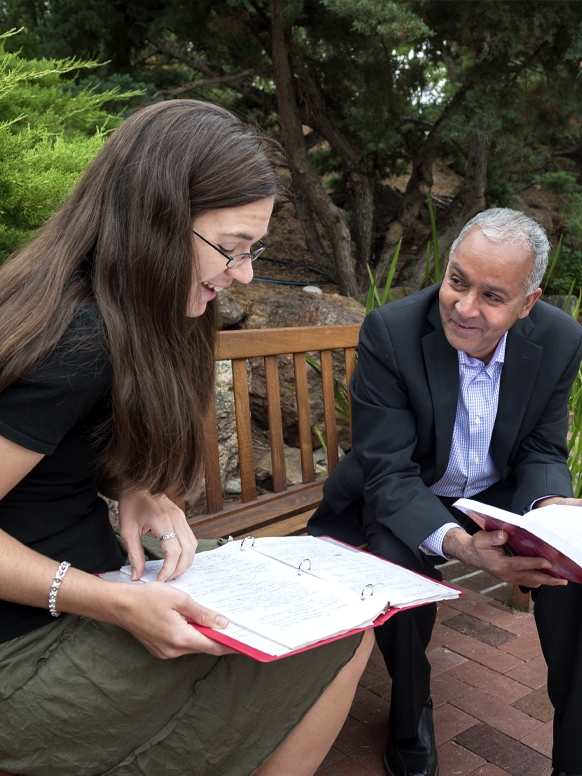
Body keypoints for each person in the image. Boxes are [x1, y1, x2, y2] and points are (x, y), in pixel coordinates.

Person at [0, 99, 373, 776]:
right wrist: (110, 601)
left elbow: (65, 448)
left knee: (333, 621)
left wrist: (136, 487)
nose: (245, 274)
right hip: (23, 647)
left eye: (253, 251)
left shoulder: (127, 309)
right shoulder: (77, 337)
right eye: (230, 249)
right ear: (157, 219)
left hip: (88, 583)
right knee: (337, 636)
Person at [309, 208, 582, 776]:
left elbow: (541, 449)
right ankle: (411, 715)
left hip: (496, 494)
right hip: (406, 488)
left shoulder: (559, 338)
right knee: (394, 557)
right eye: (457, 281)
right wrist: (460, 546)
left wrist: (546, 509)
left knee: (573, 569)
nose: (463, 307)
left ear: (527, 304)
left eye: (492, 296)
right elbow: (386, 470)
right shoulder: (392, 331)